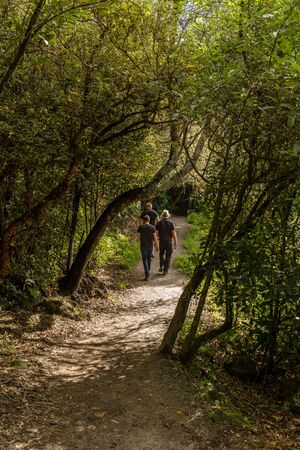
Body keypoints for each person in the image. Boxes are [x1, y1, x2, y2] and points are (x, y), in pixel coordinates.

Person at [137, 215, 159, 281]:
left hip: (143, 245)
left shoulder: (140, 227)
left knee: (144, 260)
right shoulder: (152, 227)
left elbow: (138, 237)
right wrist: (157, 246)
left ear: (143, 220)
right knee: (149, 259)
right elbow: (155, 238)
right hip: (150, 246)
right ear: (149, 220)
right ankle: (148, 271)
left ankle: (147, 274)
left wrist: (141, 240)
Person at [156, 209, 177, 275]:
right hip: (168, 241)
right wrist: (175, 243)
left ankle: (161, 265)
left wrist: (155, 242)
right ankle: (165, 270)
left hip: (161, 241)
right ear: (168, 216)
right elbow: (174, 234)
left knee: (161, 254)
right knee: (168, 256)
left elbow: (156, 233)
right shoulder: (171, 223)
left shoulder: (159, 223)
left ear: (162, 215)